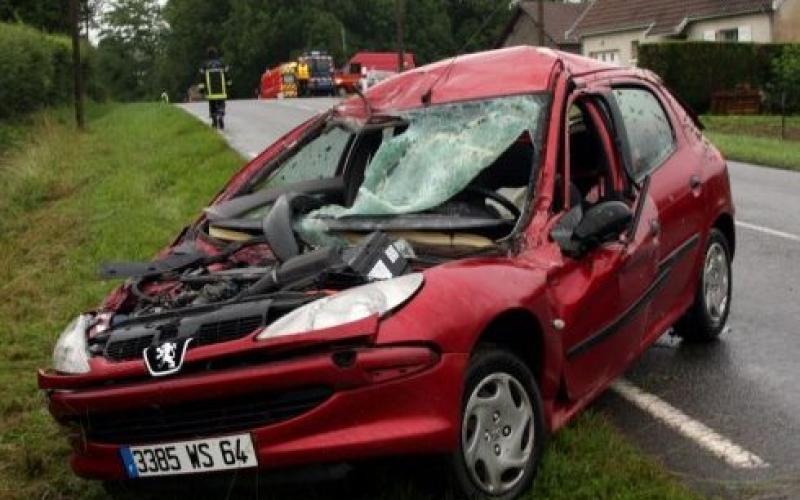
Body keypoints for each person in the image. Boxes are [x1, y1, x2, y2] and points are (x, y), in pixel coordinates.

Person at [199, 47, 232, 129]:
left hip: (211, 92)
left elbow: (201, 78)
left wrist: (202, 89)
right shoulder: (222, 63)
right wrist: (229, 85)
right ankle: (220, 115)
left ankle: (214, 120)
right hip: (221, 90)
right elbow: (227, 75)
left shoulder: (204, 65)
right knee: (221, 103)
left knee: (212, 104)